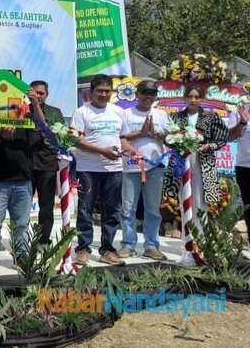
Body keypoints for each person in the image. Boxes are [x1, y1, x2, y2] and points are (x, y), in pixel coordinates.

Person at [0, 90, 44, 273]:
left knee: (22, 223)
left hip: (23, 179)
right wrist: (1, 136)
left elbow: (42, 127)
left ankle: (20, 255)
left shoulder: (26, 117)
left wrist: (35, 104)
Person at [72, 74, 130, 267]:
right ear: (91, 92)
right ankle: (83, 249)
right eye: (99, 91)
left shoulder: (118, 112)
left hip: (114, 169)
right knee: (85, 210)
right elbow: (76, 140)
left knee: (112, 210)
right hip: (87, 169)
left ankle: (107, 249)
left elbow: (122, 138)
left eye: (107, 91)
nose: (103, 94)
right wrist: (102, 151)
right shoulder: (82, 112)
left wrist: (129, 149)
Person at [118, 80, 169, 261]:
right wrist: (140, 133)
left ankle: (151, 246)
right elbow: (119, 138)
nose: (148, 96)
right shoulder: (125, 114)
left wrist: (157, 134)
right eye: (145, 92)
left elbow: (171, 138)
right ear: (137, 94)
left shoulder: (162, 115)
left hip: (155, 167)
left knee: (153, 210)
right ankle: (128, 244)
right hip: (131, 167)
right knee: (128, 208)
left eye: (152, 93)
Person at [171, 84, 228, 214]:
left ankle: (200, 227)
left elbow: (221, 139)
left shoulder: (211, 117)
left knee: (200, 198)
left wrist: (209, 146)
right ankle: (185, 227)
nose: (193, 100)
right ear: (184, 98)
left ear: (201, 99)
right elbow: (168, 139)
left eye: (196, 97)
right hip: (181, 161)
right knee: (182, 196)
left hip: (203, 161)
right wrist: (177, 143)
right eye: (190, 96)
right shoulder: (175, 117)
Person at [28, 80, 65, 245]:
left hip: (47, 164)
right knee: (21, 207)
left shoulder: (55, 112)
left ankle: (43, 240)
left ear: (47, 94)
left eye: (41, 93)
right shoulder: (20, 111)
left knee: (46, 206)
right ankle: (22, 240)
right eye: (34, 93)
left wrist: (36, 106)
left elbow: (55, 135)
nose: (38, 96)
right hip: (26, 165)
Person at [228, 99, 250, 245]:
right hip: (244, 167)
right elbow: (229, 136)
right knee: (249, 209)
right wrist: (242, 122)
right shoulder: (240, 111)